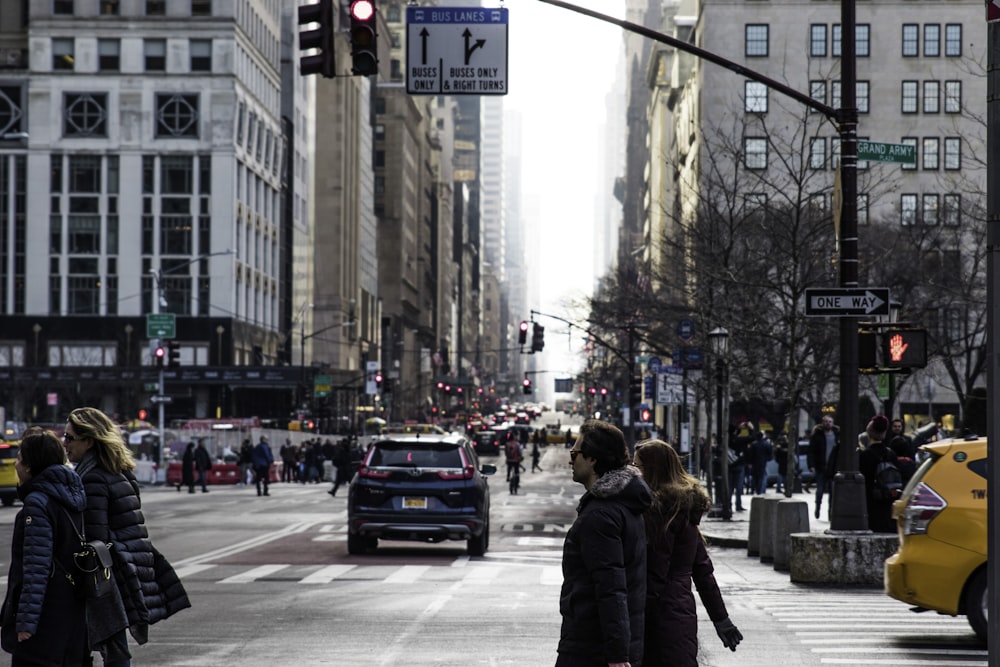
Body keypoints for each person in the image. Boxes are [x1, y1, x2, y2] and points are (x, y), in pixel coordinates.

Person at [64, 407, 190, 666]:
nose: (65, 444)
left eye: (69, 438)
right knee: (112, 644)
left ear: (89, 440)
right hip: (127, 564)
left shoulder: (93, 477)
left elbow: (94, 539)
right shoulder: (119, 471)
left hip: (111, 571)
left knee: (109, 643)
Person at [633, 440, 743, 665]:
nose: (634, 473)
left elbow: (655, 577)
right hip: (680, 617)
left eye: (638, 467)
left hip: (659, 622)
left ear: (653, 471)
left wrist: (630, 620)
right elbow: (704, 573)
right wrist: (722, 620)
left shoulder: (660, 514)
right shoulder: (683, 513)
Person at [557, 419, 650, 667]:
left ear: (593, 460)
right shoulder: (625, 505)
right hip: (606, 645)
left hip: (591, 648)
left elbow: (611, 587)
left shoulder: (600, 515)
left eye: (575, 453)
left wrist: (618, 655)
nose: (571, 459)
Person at [1, 428, 89, 666]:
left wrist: (26, 623)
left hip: (46, 618)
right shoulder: (73, 496)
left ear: (30, 466)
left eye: (19, 459)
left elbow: (36, 567)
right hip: (73, 609)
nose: (16, 465)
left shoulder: (38, 504)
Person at [858, 415, 900, 534]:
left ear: (869, 434)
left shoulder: (865, 455)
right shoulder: (891, 454)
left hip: (872, 503)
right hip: (889, 500)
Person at [808, 414, 841, 520]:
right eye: (826, 421)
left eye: (830, 421)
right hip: (821, 466)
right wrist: (812, 465)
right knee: (820, 491)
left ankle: (830, 513)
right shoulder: (817, 435)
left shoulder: (837, 435)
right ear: (822, 423)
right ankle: (817, 508)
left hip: (833, 468)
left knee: (833, 492)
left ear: (833, 423)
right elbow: (811, 452)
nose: (828, 423)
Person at [750, 430, 772, 495]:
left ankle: (756, 489)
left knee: (755, 477)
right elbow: (770, 452)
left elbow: (751, 454)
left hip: (755, 462)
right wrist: (768, 459)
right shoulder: (766, 444)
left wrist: (750, 462)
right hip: (763, 462)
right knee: (762, 477)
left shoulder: (754, 444)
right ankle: (761, 490)